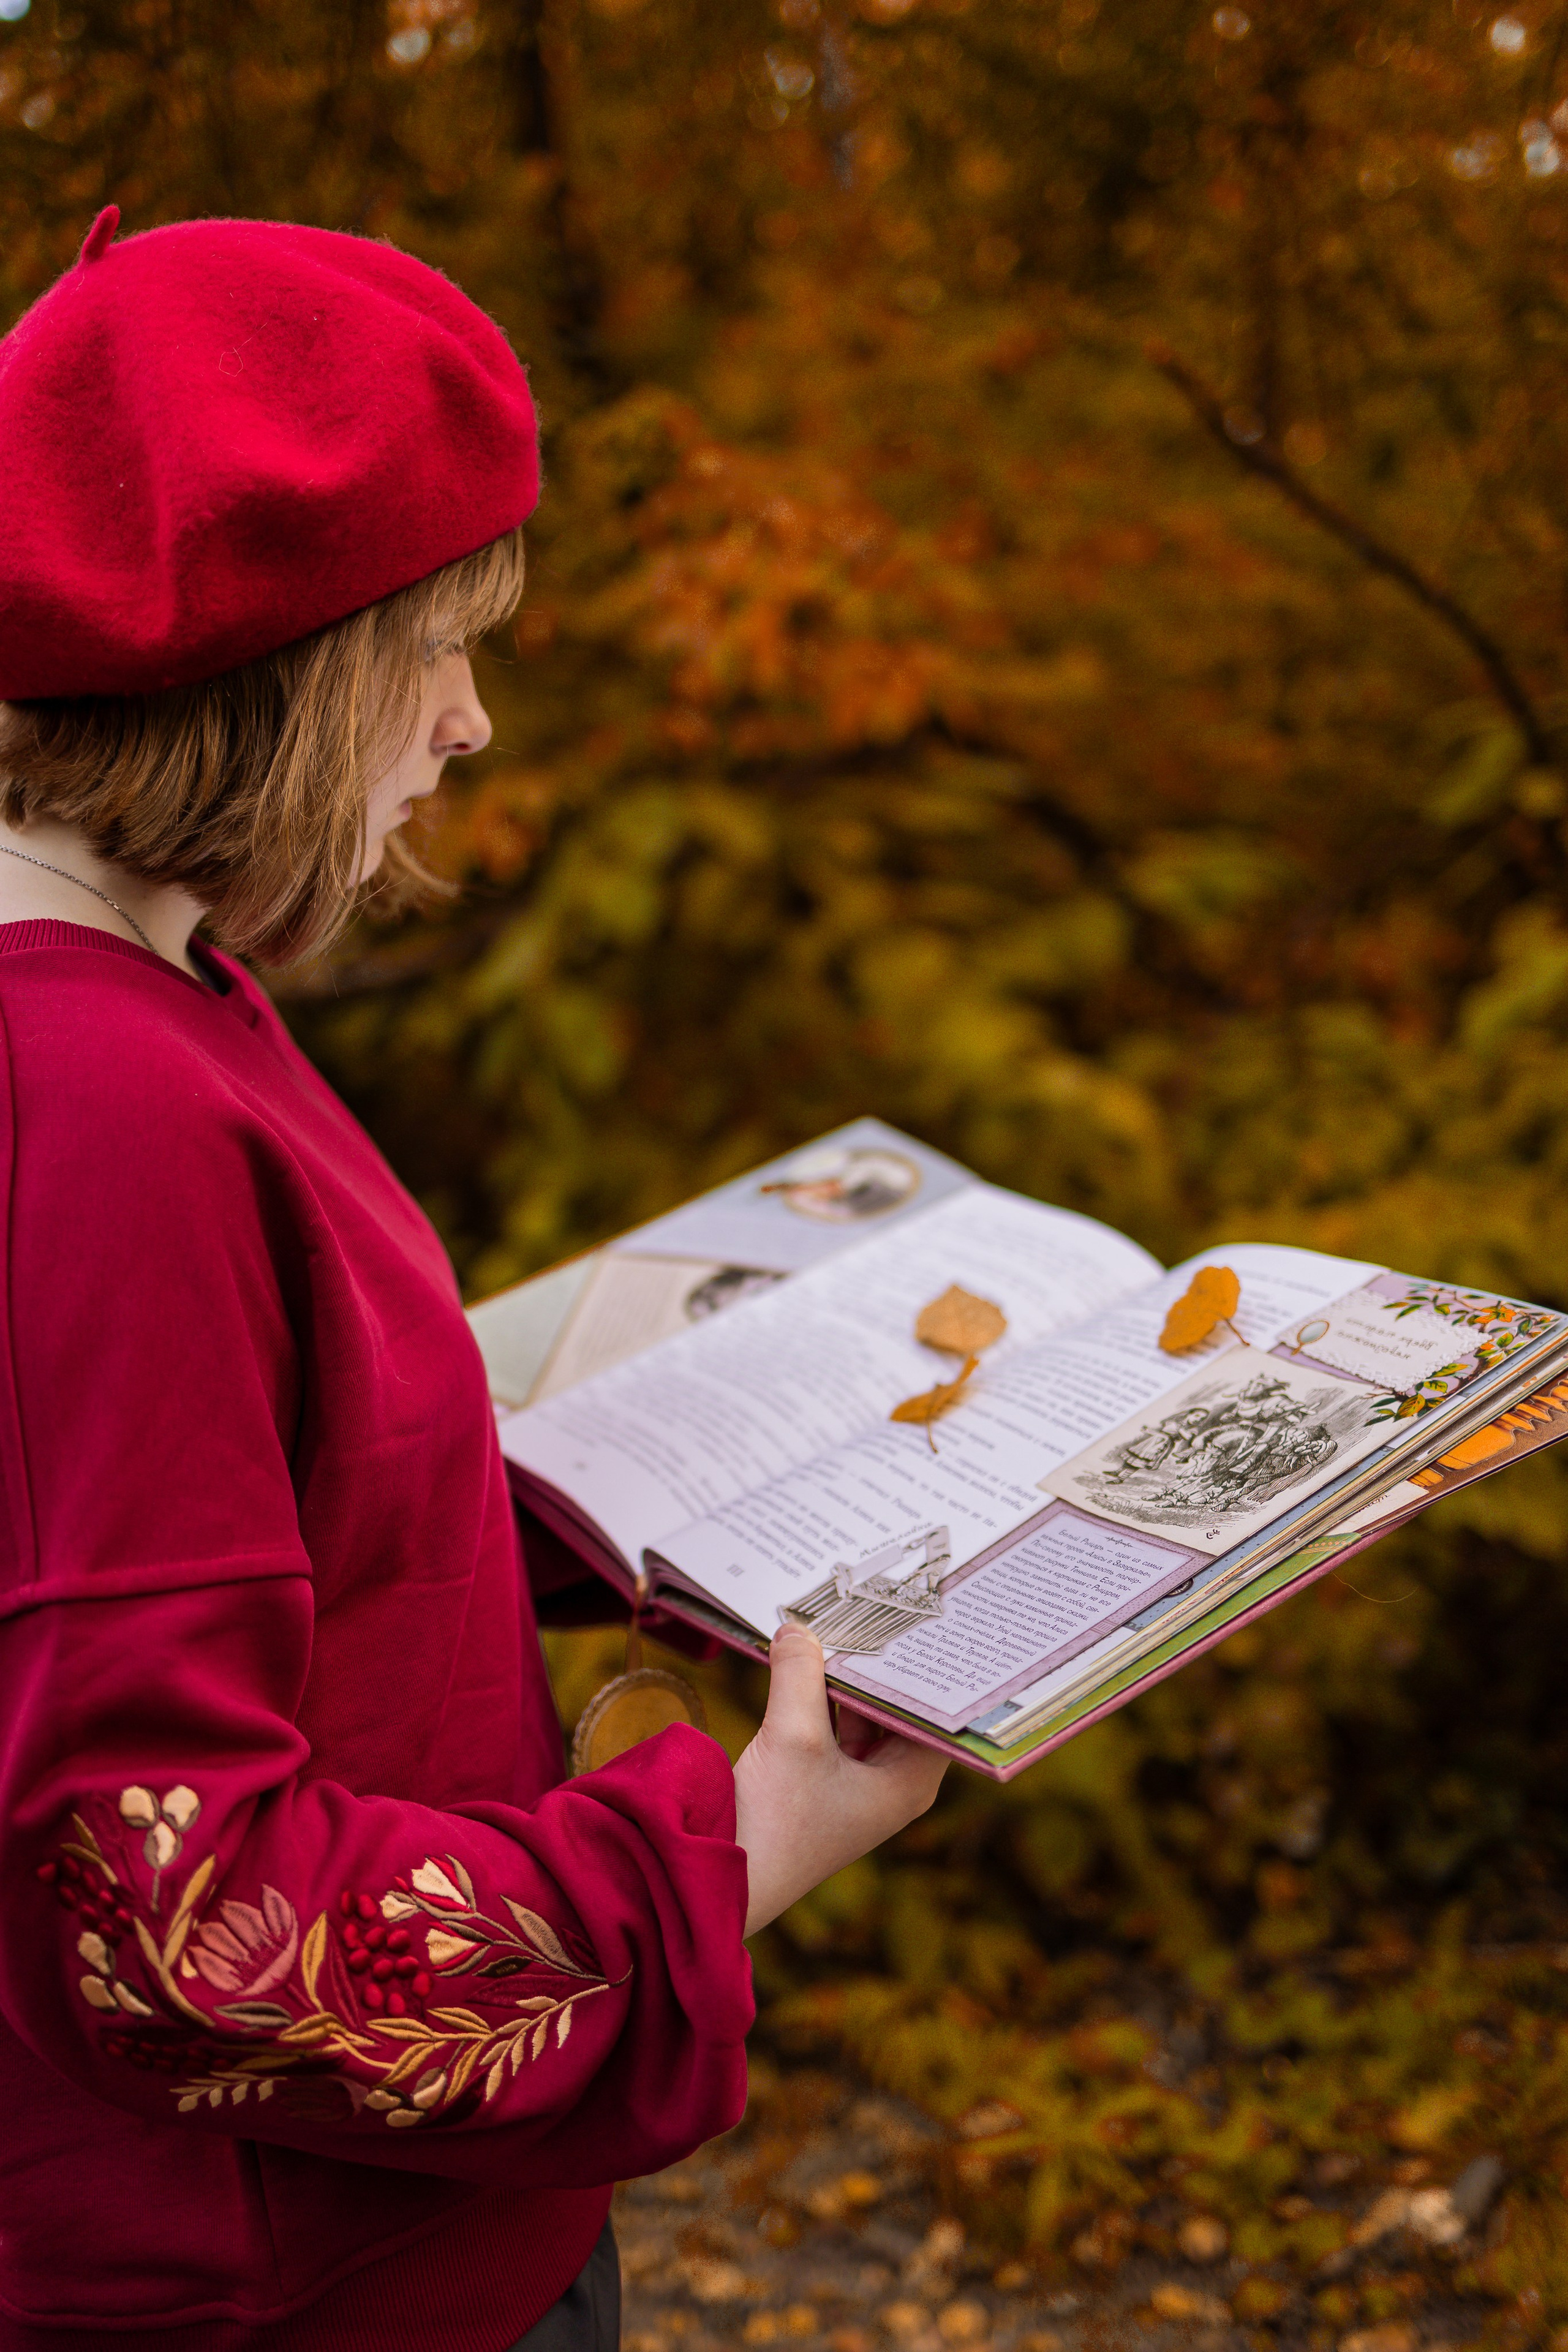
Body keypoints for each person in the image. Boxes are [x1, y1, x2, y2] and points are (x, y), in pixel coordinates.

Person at [0, 211, 947, 2352]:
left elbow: (230, 1507)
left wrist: (591, 1502)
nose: (471, 723)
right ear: (289, 659)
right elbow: (168, 1926)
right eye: (438, 644)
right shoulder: (88, 1102)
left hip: (401, 2235)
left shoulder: (172, 990)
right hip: (295, 2293)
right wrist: (738, 1847)